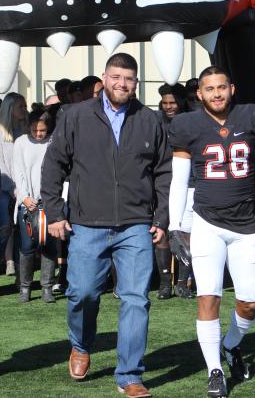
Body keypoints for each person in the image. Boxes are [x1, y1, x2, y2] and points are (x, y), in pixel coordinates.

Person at [41, 53, 170, 398]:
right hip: (87, 223)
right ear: (104, 78)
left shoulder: (150, 120)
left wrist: (161, 218)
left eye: (128, 79)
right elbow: (54, 164)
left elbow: (163, 172)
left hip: (136, 225)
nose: (121, 84)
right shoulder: (76, 116)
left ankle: (129, 374)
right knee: (82, 292)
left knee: (136, 299)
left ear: (136, 83)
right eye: (115, 77)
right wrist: (54, 213)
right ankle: (81, 344)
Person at [168, 66, 255, 397]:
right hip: (207, 223)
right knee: (207, 297)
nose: (216, 94)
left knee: (251, 301)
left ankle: (230, 344)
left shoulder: (251, 116)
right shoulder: (187, 125)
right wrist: (173, 227)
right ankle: (214, 371)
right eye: (209, 89)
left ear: (232, 87)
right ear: (199, 93)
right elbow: (180, 180)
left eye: (221, 87)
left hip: (246, 225)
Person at [13, 109, 56, 303]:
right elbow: (18, 171)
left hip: (48, 202)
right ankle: (25, 287)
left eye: (42, 130)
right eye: (35, 130)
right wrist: (24, 197)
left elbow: (57, 171)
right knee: (27, 245)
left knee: (49, 244)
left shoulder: (52, 142)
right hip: (27, 203)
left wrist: (51, 198)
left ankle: (47, 287)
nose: (39, 134)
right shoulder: (21, 142)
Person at [155, 83, 193, 299]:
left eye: (172, 103)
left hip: (187, 183)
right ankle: (164, 283)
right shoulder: (155, 120)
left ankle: (182, 283)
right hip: (162, 181)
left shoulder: (189, 121)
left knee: (185, 233)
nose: (168, 107)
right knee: (161, 230)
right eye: (165, 103)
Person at [0, 92, 28, 293]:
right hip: (3, 190)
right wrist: (12, 188)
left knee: (22, 231)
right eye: (21, 106)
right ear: (11, 108)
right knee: (4, 230)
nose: (25, 110)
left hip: (21, 189)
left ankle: (21, 278)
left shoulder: (23, 131)